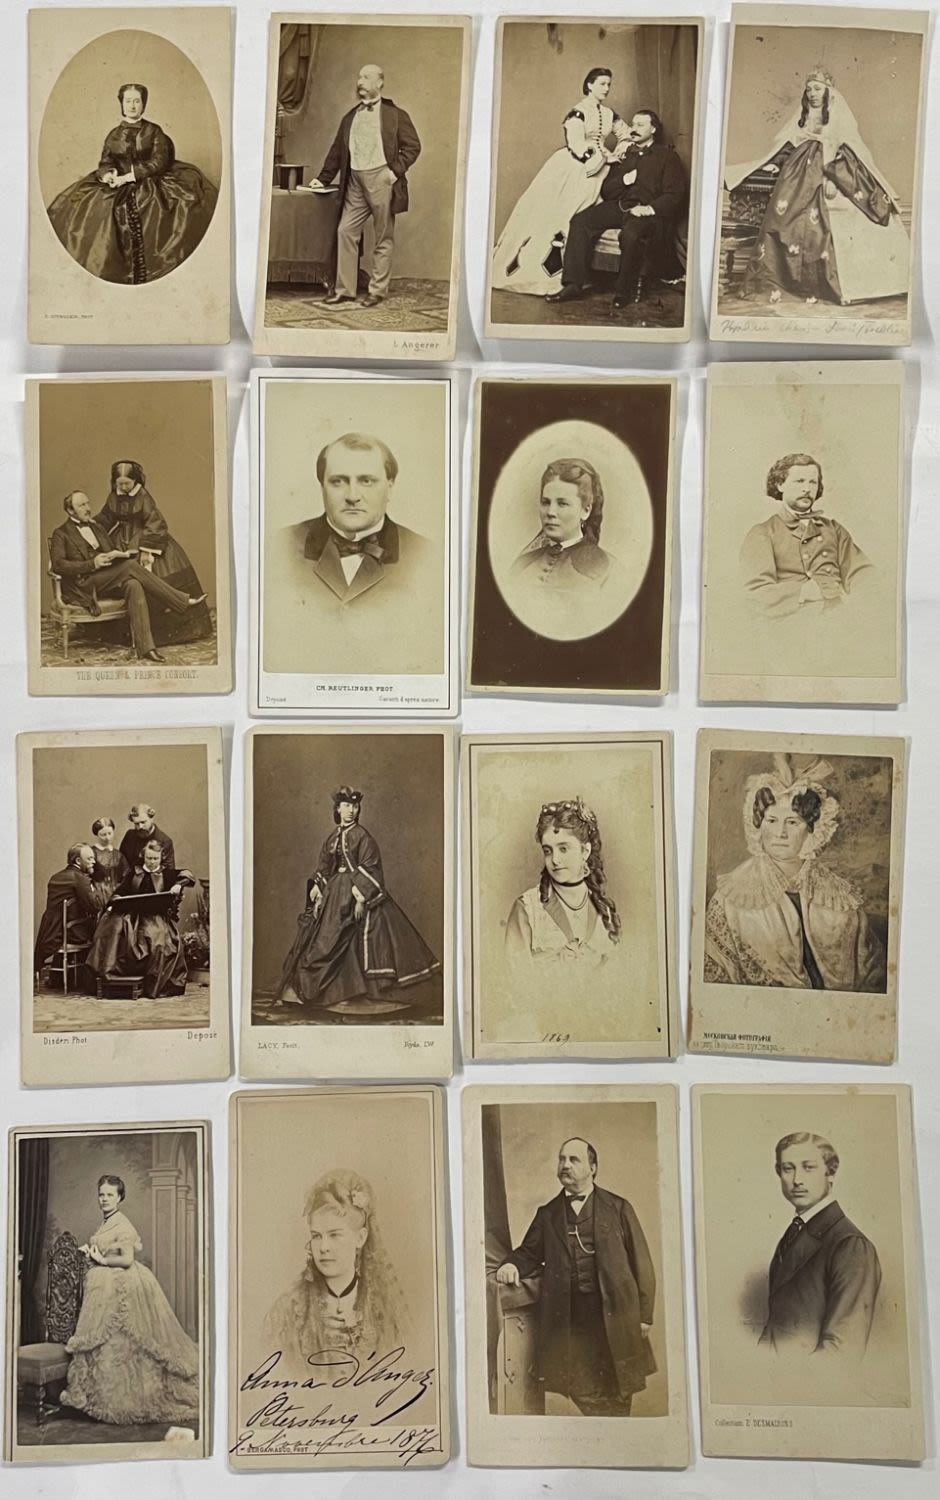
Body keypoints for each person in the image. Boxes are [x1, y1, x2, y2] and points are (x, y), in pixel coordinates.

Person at [495, 1138, 656, 1417]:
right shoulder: (548, 1215)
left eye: (574, 1159)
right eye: (562, 1159)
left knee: (619, 1392)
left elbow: (642, 1262)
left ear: (593, 1168)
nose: (565, 1165)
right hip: (572, 1324)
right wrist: (511, 1264)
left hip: (617, 1317)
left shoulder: (618, 1208)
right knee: (585, 1392)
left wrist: (644, 1315)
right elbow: (528, 1253)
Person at [724, 69, 910, 306]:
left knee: (851, 211)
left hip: (834, 169)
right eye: (809, 89)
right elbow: (787, 142)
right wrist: (776, 163)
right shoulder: (803, 115)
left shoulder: (838, 114)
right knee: (784, 216)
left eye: (817, 89)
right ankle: (790, 278)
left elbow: (849, 147)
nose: (812, 93)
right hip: (799, 170)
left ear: (828, 91)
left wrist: (832, 179)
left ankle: (850, 283)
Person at [703, 756, 887, 992]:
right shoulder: (731, 897)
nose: (780, 833)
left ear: (812, 830)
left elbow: (873, 970)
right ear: (758, 824)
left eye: (792, 822)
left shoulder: (840, 897)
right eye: (771, 820)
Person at [273, 432, 440, 670]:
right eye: (338, 481)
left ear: (390, 487)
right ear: (322, 486)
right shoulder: (275, 549)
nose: (352, 496)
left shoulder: (429, 557)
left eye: (367, 481)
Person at [276, 786, 440, 1011]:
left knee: (361, 937)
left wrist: (361, 897)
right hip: (334, 895)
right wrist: (318, 887)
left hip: (355, 893)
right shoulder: (332, 837)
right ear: (338, 809)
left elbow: (372, 866)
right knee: (324, 939)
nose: (351, 810)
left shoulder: (363, 836)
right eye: (346, 806)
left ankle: (363, 998)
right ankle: (324, 995)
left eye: (354, 806)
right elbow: (325, 866)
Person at [60, 1173, 199, 1425]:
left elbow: (126, 1259)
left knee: (125, 1338)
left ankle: (124, 1401)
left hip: (122, 1284)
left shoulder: (123, 1224)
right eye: (101, 1194)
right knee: (109, 1337)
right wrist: (91, 1252)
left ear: (119, 1197)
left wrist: (101, 1259)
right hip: (106, 1285)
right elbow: (107, 1249)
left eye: (110, 1195)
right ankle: (101, 1397)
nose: (104, 1199)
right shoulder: (108, 1221)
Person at [46, 82, 218, 286]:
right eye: (128, 101)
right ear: (122, 103)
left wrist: (128, 177)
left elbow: (159, 162)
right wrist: (108, 175)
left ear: (143, 104)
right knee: (88, 211)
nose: (132, 105)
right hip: (117, 185)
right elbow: (105, 162)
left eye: (137, 101)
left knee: (168, 208)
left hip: (151, 182)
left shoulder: (154, 131)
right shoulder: (113, 135)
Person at [491, 67, 631, 297]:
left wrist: (616, 154)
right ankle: (545, 274)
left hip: (600, 173)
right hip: (574, 168)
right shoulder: (578, 112)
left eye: (609, 84)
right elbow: (576, 145)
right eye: (602, 84)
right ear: (589, 85)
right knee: (556, 217)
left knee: (583, 218)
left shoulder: (609, 114)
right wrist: (599, 159)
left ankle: (578, 274)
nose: (606, 88)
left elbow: (626, 135)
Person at [265, 1169, 411, 1377]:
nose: (323, 1247)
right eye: (317, 1236)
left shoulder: (384, 1308)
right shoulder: (287, 1311)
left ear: (360, 1238)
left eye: (334, 1235)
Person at [547, 108, 687, 309]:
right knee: (581, 221)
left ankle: (623, 292)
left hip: (647, 213)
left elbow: (675, 194)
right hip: (620, 206)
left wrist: (649, 208)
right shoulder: (625, 155)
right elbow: (607, 191)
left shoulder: (667, 156)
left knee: (631, 234)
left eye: (640, 125)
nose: (634, 128)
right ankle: (573, 285)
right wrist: (624, 180)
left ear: (653, 129)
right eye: (633, 124)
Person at [308, 63, 421, 309]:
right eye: (359, 77)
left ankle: (377, 291)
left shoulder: (396, 115)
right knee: (345, 231)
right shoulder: (350, 117)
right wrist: (323, 178)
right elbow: (337, 151)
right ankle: (344, 290)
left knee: (383, 236)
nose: (360, 81)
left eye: (366, 77)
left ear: (379, 82)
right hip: (355, 181)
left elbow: (413, 146)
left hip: (381, 178)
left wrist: (394, 172)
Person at [759, 1132, 881, 1358]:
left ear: (830, 1173)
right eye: (788, 1168)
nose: (797, 1180)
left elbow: (842, 1351)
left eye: (808, 1167)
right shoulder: (794, 1232)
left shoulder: (850, 1245)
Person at [49, 492, 205, 664]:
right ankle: (180, 601)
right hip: (83, 584)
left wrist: (120, 555)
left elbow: (110, 550)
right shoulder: (61, 533)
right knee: (130, 567)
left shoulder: (96, 527)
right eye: (81, 505)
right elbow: (59, 565)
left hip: (104, 579)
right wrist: (92, 563)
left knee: (133, 584)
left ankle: (146, 648)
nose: (88, 508)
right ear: (70, 511)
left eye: (88, 503)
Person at [740, 453, 873, 617]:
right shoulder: (762, 533)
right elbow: (754, 593)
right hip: (791, 620)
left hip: (838, 616)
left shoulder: (833, 529)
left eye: (813, 482)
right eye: (799, 481)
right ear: (780, 485)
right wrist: (804, 592)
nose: (807, 489)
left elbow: (863, 575)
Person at [508, 457, 627, 639]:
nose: (550, 512)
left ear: (586, 510)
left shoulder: (611, 571)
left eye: (562, 503)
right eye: (545, 502)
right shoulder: (523, 563)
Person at [96, 459, 211, 643]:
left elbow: (155, 522)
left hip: (143, 539)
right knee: (123, 578)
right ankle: (122, 633)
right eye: (120, 483)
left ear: (135, 481)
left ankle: (158, 634)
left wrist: (146, 550)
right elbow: (106, 518)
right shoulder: (113, 496)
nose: (123, 487)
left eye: (127, 483)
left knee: (148, 576)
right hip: (120, 542)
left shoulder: (143, 496)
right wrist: (91, 527)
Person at [505, 799, 621, 970]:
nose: (555, 860)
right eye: (548, 851)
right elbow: (514, 979)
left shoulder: (604, 910)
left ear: (585, 851)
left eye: (563, 849)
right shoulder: (528, 909)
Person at [87, 839, 196, 998]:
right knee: (112, 930)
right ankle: (110, 976)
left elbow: (188, 875)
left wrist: (178, 885)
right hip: (132, 916)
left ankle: (151, 984)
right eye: (148, 858)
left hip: (156, 917)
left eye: (155, 859)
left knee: (156, 939)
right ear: (143, 857)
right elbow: (120, 891)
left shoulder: (166, 874)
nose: (152, 862)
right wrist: (116, 899)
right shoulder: (134, 873)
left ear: (161, 858)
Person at [34, 842, 103, 979]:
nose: (94, 862)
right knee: (103, 931)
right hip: (72, 933)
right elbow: (95, 906)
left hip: (50, 932)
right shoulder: (80, 878)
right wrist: (95, 891)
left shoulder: (55, 877)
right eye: (89, 858)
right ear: (78, 861)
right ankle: (92, 978)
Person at [119, 805, 175, 872]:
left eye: (143, 822)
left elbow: (169, 872)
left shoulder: (165, 841)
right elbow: (120, 861)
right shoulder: (129, 835)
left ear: (152, 819)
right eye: (136, 824)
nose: (140, 827)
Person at [89, 817, 130, 907]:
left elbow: (126, 876)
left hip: (117, 895)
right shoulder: (91, 853)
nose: (107, 838)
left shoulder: (118, 855)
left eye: (110, 833)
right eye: (103, 835)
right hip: (98, 896)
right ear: (97, 834)